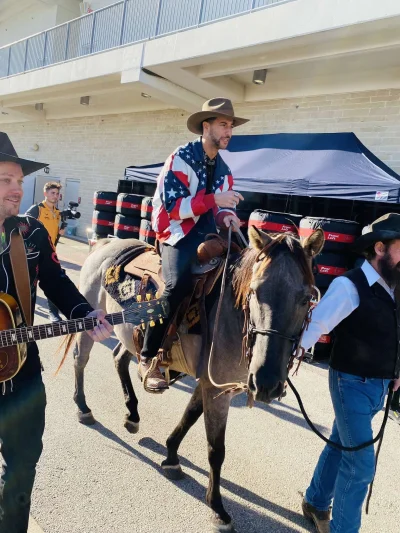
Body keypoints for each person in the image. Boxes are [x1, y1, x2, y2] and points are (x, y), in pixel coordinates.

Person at [0, 132, 113, 533]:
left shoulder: (31, 232)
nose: (17, 189)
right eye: (6, 181)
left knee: (23, 465)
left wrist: (85, 313)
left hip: (22, 372)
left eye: (19, 180)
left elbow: (57, 283)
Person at [138, 97, 249, 392]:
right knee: (177, 285)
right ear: (206, 126)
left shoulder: (224, 169)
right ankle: (149, 357)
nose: (229, 131)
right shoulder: (181, 158)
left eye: (231, 126)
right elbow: (173, 207)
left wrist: (229, 218)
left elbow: (222, 208)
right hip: (176, 231)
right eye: (223, 125)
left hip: (208, 232)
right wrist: (215, 201)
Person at [300, 212, 400, 533]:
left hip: (379, 386)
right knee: (359, 466)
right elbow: (317, 324)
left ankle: (315, 501)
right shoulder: (349, 285)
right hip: (350, 383)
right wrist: (284, 358)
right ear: (381, 248)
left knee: (340, 443)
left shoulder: (396, 285)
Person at [26, 181, 64, 322]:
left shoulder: (57, 213)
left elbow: (53, 236)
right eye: (52, 193)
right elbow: (24, 227)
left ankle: (53, 314)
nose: (55, 196)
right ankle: (24, 313)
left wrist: (60, 233)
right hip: (33, 253)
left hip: (50, 254)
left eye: (57, 193)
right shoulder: (37, 209)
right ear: (45, 194)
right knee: (30, 285)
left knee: (52, 283)